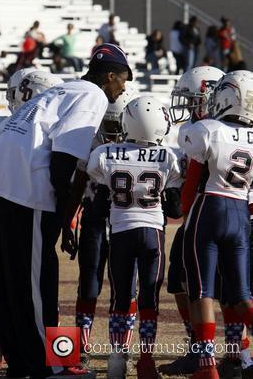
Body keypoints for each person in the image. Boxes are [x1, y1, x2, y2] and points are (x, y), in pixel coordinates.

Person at [0, 43, 132, 379]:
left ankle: (19, 363)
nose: (123, 88)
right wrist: (65, 219)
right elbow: (63, 162)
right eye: (123, 80)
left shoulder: (63, 89)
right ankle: (51, 365)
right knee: (38, 284)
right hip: (27, 189)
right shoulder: (92, 96)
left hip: (0, 183)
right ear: (109, 76)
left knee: (8, 282)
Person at [0, 68, 62, 371]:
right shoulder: (15, 127)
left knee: (23, 284)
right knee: (34, 284)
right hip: (27, 210)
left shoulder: (1, 127)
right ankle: (49, 358)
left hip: (22, 210)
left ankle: (28, 355)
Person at [87, 95, 182, 379]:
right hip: (152, 233)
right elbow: (176, 208)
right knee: (148, 298)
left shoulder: (106, 153)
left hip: (121, 232)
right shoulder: (169, 157)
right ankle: (146, 359)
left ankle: (117, 360)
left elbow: (99, 199)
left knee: (120, 296)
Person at [181, 70, 253, 379]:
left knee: (203, 292)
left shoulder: (207, 129)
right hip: (240, 213)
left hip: (209, 208)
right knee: (242, 295)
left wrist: (185, 216)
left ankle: (206, 365)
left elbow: (191, 184)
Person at [62, 83, 139, 362]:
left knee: (126, 286)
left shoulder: (142, 144)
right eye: (107, 121)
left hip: (126, 220)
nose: (112, 128)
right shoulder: (92, 141)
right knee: (89, 282)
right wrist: (68, 221)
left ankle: (120, 348)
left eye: (116, 121)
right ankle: (81, 346)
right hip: (95, 217)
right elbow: (78, 185)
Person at [160, 66, 225, 376]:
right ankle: (199, 348)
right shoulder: (204, 128)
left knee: (226, 290)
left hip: (214, 214)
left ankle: (237, 354)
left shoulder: (216, 129)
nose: (186, 106)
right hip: (203, 216)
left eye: (192, 99)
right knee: (180, 280)